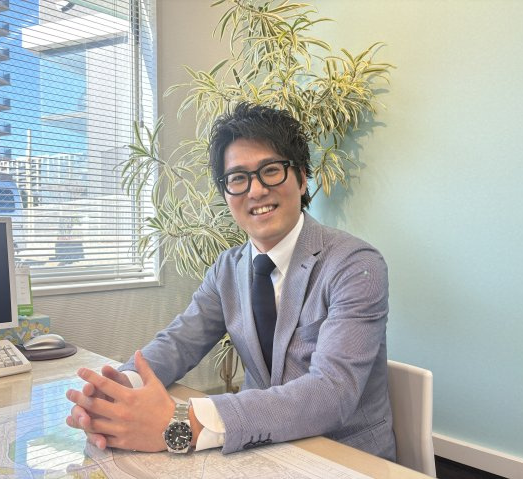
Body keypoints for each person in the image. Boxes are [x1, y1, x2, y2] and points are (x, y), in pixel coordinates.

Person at [66, 102, 396, 460]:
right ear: (225, 193)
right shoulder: (227, 268)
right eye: (238, 178)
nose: (255, 191)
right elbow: (179, 342)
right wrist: (119, 391)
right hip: (264, 451)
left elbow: (331, 394)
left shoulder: (355, 265)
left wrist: (183, 421)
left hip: (345, 458)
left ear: (302, 178)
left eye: (271, 170)